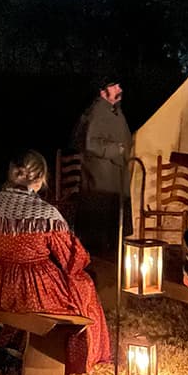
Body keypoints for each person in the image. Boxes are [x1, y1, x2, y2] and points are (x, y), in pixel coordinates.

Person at [0, 149, 111, 374]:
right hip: (32, 290)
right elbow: (72, 258)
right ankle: (81, 357)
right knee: (83, 286)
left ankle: (16, 342)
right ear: (39, 180)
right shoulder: (46, 214)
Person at [73, 77, 131, 257]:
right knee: (99, 218)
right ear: (102, 92)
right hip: (101, 176)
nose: (119, 88)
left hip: (113, 175)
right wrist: (115, 149)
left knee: (111, 216)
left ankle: (110, 250)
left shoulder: (114, 111)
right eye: (114, 86)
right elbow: (90, 143)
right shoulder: (97, 112)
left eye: (118, 84)